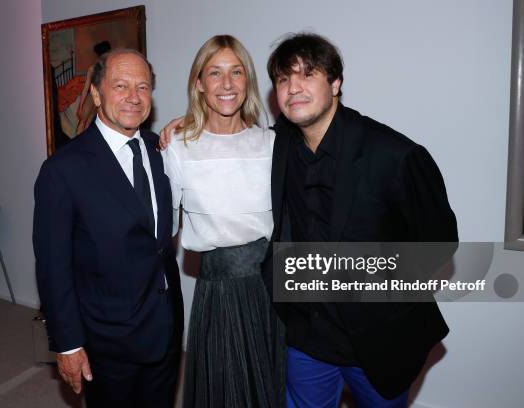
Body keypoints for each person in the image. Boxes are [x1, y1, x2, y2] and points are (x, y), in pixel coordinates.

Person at [264, 33, 458, 407]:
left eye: (308, 74)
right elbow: (228, 140)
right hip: (306, 335)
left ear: (335, 83)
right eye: (284, 79)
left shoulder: (395, 155)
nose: (294, 88)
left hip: (376, 339)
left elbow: (439, 243)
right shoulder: (281, 145)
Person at [33, 48, 183, 408]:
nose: (134, 97)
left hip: (166, 326)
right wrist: (68, 344)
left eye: (143, 87)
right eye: (121, 85)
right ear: (97, 94)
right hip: (107, 337)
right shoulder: (63, 170)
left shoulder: (163, 149)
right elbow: (54, 267)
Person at [161, 35, 285, 408]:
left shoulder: (272, 144)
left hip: (271, 287)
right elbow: (164, 227)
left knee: (271, 385)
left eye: (236, 72)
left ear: (248, 80)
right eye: (214, 73)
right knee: (226, 390)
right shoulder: (178, 148)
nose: (227, 84)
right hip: (219, 292)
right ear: (199, 83)